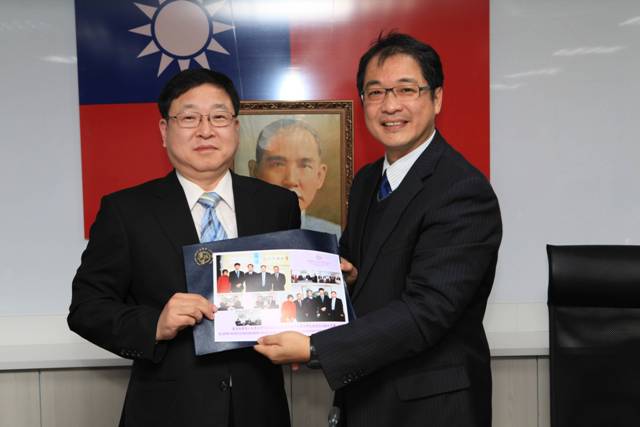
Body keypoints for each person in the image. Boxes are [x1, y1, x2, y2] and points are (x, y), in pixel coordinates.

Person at [254, 32, 502, 427]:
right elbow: (363, 273)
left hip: (430, 408)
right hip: (367, 391)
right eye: (376, 92)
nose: (390, 106)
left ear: (436, 98)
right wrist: (344, 276)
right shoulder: (368, 180)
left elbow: (427, 311)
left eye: (406, 90)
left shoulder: (462, 190)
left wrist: (315, 347)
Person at [68, 68, 300, 427]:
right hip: (167, 410)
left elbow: (291, 295)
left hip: (260, 407)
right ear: (165, 131)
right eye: (189, 117)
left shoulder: (277, 204)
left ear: (236, 128)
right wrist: (154, 323)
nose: (206, 130)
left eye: (219, 117)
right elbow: (86, 308)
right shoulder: (126, 211)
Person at [248, 118, 341, 237]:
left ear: (320, 176)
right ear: (254, 172)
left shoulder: (336, 238)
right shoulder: (232, 231)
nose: (291, 180)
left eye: (304, 165)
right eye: (278, 164)